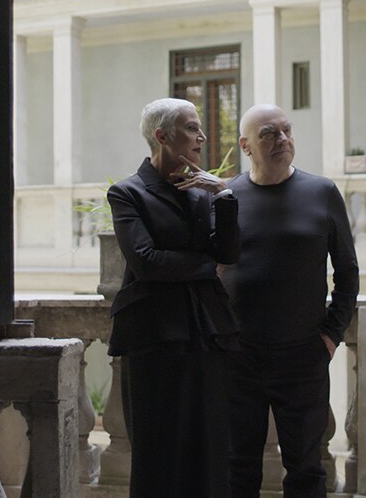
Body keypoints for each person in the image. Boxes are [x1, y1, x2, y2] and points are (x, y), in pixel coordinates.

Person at [220, 103, 359, 497]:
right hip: (238, 357)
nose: (281, 139)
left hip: (302, 355)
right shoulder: (228, 196)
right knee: (237, 466)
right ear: (246, 146)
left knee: (305, 467)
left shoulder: (322, 192)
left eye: (286, 130)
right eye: (269, 133)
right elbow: (213, 271)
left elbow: (347, 273)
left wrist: (330, 335)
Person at [106, 97, 241, 497]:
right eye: (191, 128)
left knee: (211, 447)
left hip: (207, 333)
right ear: (162, 136)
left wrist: (225, 195)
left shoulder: (202, 193)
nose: (202, 137)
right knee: (158, 449)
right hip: (153, 337)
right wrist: (204, 267)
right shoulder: (127, 193)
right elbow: (147, 261)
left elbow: (229, 254)